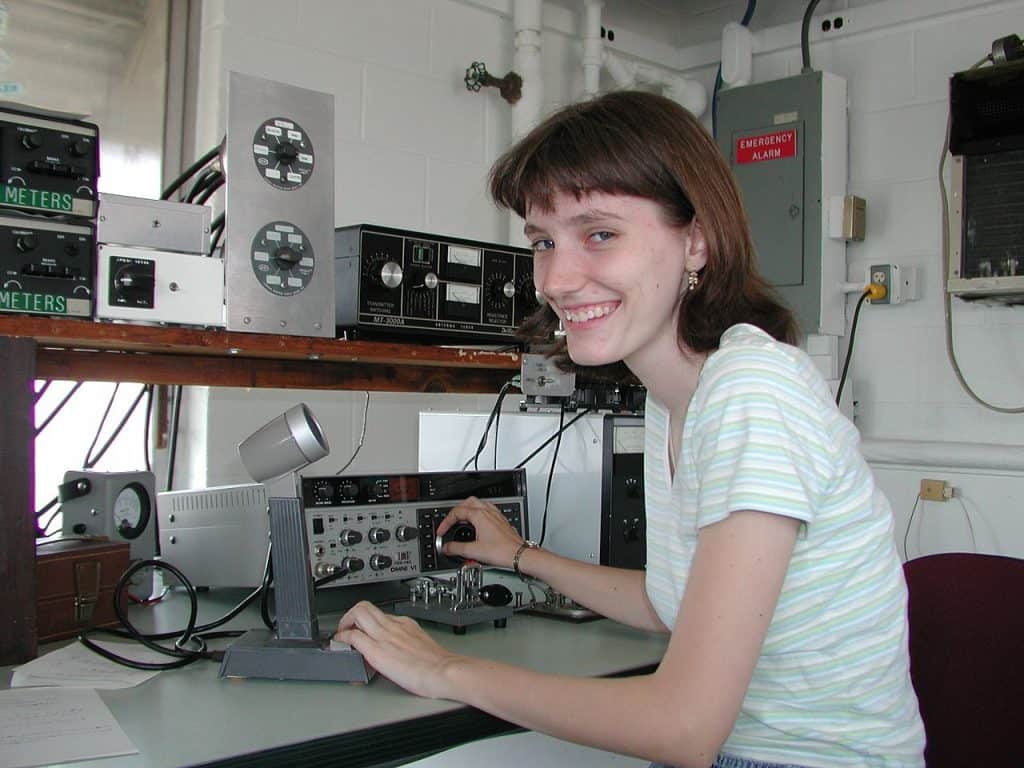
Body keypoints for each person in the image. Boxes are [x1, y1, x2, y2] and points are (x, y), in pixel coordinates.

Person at [335, 90, 926, 768]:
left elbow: (683, 727)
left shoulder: (752, 391)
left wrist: (443, 669)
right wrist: (520, 555)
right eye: (543, 242)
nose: (555, 278)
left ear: (696, 240)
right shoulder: (674, 400)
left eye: (600, 234)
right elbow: (668, 599)